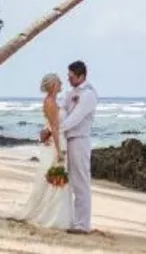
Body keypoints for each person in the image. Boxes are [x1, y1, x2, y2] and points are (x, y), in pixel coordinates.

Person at [16, 74, 74, 229]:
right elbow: (54, 127)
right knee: (56, 177)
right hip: (57, 144)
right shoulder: (49, 102)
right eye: (59, 81)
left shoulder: (54, 101)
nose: (62, 83)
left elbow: (51, 125)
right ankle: (53, 216)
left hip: (58, 140)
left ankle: (60, 215)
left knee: (58, 178)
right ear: (53, 85)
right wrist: (59, 149)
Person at [59, 60, 98, 233]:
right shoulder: (71, 92)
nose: (68, 79)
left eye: (71, 76)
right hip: (69, 139)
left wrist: (56, 129)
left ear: (81, 76)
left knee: (81, 181)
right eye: (68, 76)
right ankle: (75, 219)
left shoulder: (88, 94)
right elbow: (64, 111)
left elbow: (76, 117)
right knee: (73, 181)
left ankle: (83, 224)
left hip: (80, 139)